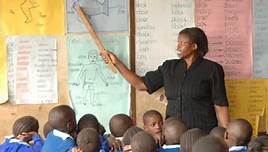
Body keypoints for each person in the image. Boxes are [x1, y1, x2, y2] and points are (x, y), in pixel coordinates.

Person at [100, 27, 229, 132]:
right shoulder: (169, 67)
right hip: (173, 134)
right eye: (177, 42)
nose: (178, 47)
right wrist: (117, 63)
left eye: (183, 43)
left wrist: (226, 133)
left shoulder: (212, 69)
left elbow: (220, 104)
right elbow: (140, 84)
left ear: (194, 46)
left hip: (202, 134)